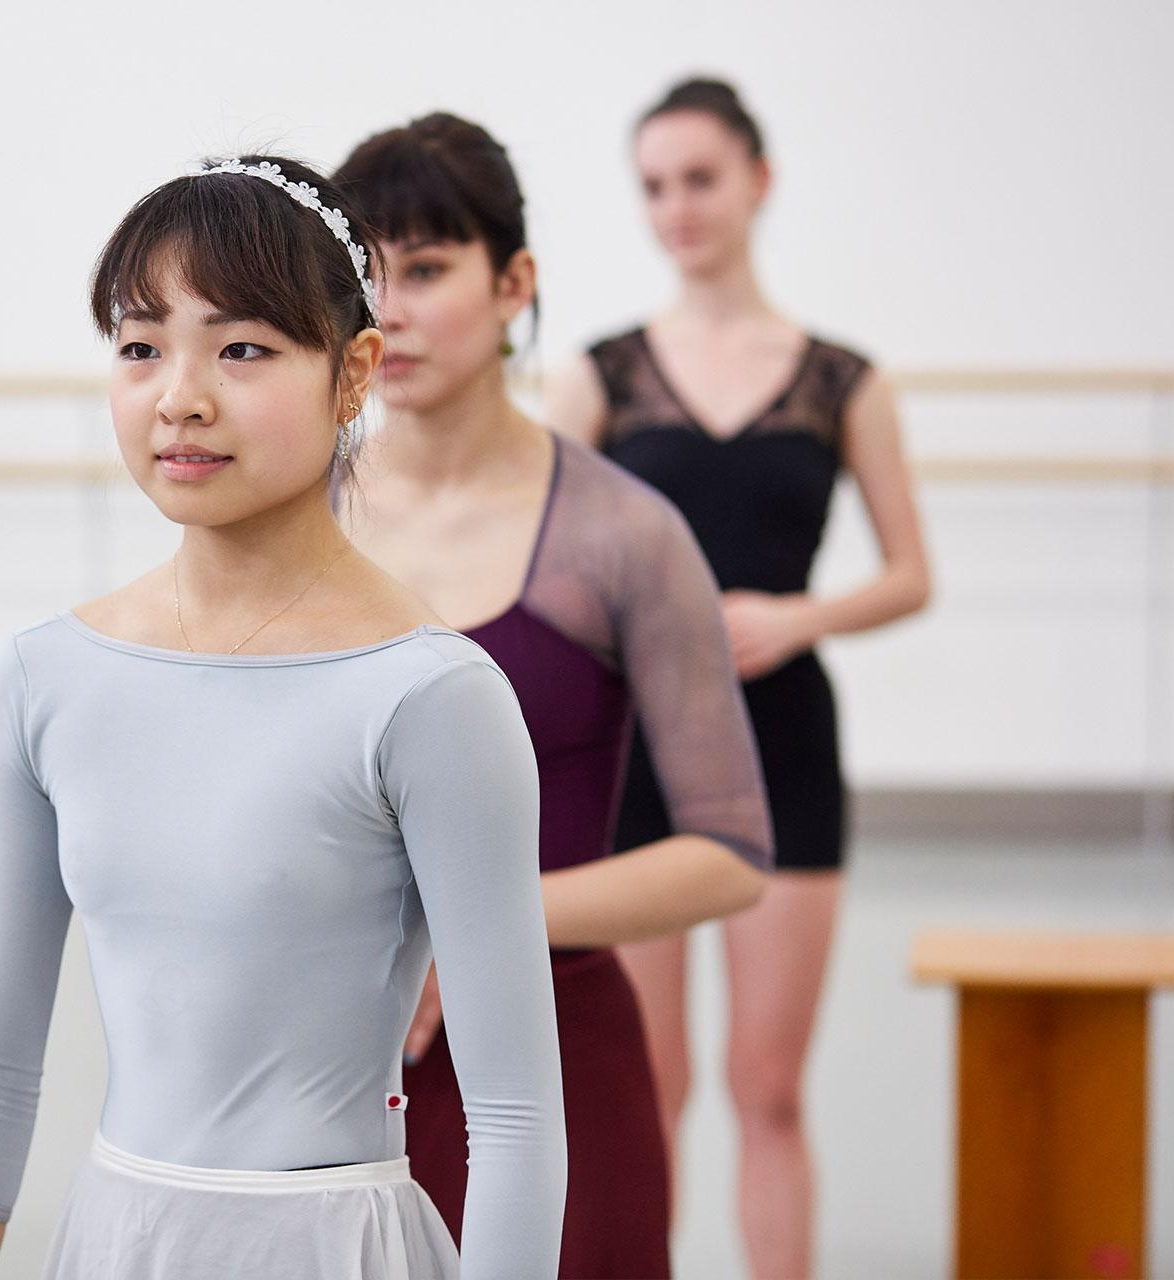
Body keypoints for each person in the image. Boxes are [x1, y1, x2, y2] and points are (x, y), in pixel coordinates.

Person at [0, 155, 566, 1280]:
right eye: (140, 345)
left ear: (354, 371)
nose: (181, 395)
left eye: (243, 347)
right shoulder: (45, 675)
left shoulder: (431, 695)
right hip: (121, 1238)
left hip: (336, 1245)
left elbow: (512, 1121)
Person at [337, 112, 770, 1278]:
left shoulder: (623, 532)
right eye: (364, 276)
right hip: (325, 1058)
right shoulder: (294, 518)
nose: (393, 310)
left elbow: (731, 848)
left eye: (427, 270)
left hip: (557, 1043)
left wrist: (479, 929)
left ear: (514, 280)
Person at [546, 78, 933, 1278]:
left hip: (785, 737)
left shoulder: (841, 378)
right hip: (644, 751)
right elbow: (539, 557)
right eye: (654, 186)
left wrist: (796, 615)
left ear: (759, 181)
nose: (677, 208)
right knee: (647, 1084)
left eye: (700, 179)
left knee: (766, 1087)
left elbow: (911, 572)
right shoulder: (602, 373)